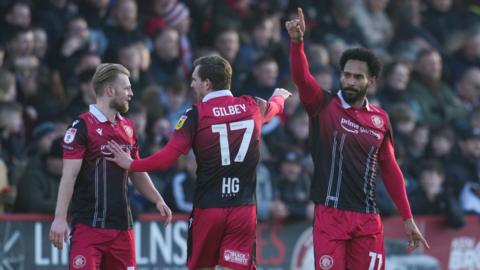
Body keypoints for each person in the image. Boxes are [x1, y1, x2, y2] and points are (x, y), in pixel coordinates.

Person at [105, 55, 291, 269]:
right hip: (243, 209)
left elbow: (167, 157)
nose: (192, 84)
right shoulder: (251, 106)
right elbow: (274, 108)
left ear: (207, 83)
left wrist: (132, 164)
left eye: (194, 79)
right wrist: (279, 97)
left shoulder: (196, 114)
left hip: (209, 208)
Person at [285, 8, 429, 270]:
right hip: (331, 216)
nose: (349, 81)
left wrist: (408, 218)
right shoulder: (323, 105)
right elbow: (302, 79)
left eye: (357, 77)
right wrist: (297, 44)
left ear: (371, 82)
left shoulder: (380, 119)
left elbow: (390, 168)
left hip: (368, 219)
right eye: (346, 75)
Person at [48, 63, 172, 270]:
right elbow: (69, 175)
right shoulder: (81, 127)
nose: (131, 93)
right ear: (110, 90)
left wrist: (158, 199)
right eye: (127, 88)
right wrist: (60, 218)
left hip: (123, 228)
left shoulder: (128, 127)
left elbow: (135, 170)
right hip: (88, 227)